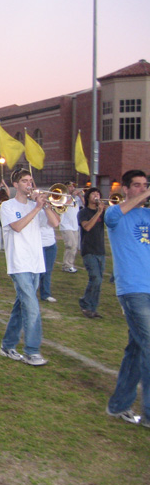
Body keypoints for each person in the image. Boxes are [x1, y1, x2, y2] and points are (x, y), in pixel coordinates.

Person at [0, 169, 59, 366]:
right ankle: (32, 350)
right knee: (32, 307)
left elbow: (55, 223)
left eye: (30, 181)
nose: (29, 184)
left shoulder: (37, 206)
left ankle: (7, 346)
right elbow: (17, 227)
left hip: (35, 262)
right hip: (19, 263)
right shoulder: (7, 205)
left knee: (22, 306)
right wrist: (35, 208)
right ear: (15, 185)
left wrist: (45, 205)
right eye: (24, 181)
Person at [104, 169, 150, 427]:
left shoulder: (147, 214)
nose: (142, 189)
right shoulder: (114, 213)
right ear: (125, 189)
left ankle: (118, 405)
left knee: (137, 348)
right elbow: (116, 214)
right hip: (133, 290)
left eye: (145, 185)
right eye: (137, 185)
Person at [79, 187, 107, 318]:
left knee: (98, 281)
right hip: (88, 249)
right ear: (88, 197)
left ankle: (91, 307)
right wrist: (98, 212)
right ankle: (86, 304)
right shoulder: (83, 212)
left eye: (98, 193)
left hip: (100, 250)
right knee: (95, 278)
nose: (96, 195)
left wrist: (107, 211)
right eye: (94, 194)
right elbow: (87, 227)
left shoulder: (103, 212)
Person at [59, 181, 84, 273]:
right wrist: (72, 197)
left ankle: (69, 264)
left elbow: (85, 204)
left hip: (75, 225)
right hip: (66, 225)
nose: (72, 188)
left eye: (73, 186)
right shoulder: (63, 197)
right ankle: (67, 265)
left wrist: (80, 195)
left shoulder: (77, 198)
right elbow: (64, 205)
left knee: (74, 246)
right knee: (70, 245)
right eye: (69, 187)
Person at [38, 208, 59, 303]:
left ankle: (46, 294)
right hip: (39, 243)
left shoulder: (48, 209)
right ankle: (32, 292)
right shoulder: (34, 207)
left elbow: (57, 221)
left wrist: (49, 208)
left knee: (48, 270)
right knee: (39, 271)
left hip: (51, 243)